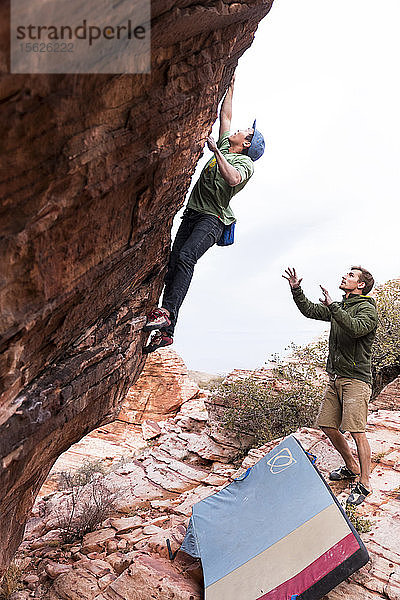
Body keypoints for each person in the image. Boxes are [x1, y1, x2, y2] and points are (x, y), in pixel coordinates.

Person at [143, 76, 265, 353]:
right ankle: (167, 332)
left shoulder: (242, 161)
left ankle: (167, 314)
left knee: (186, 258)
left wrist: (216, 154)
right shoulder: (226, 145)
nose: (238, 129)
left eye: (245, 131)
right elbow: (225, 114)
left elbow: (233, 179)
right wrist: (231, 83)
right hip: (193, 215)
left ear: (246, 144)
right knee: (174, 262)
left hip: (213, 220)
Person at [282, 266, 378, 506]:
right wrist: (297, 290)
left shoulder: (367, 308)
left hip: (356, 379)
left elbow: (356, 329)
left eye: (351, 275)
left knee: (357, 431)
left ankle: (365, 483)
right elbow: (310, 311)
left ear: (361, 285)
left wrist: (334, 306)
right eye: (347, 273)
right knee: (327, 425)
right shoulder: (342, 307)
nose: (345, 276)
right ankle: (351, 466)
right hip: (335, 378)